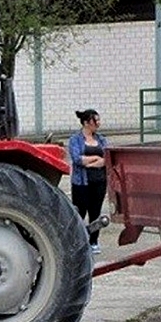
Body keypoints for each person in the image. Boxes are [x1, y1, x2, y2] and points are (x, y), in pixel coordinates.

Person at [68, 109, 108, 255]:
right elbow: (77, 159)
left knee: (95, 212)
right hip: (81, 183)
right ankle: (77, 241)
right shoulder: (75, 140)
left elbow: (107, 159)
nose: (98, 123)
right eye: (95, 121)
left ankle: (94, 241)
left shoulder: (102, 139)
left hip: (99, 182)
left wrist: (92, 161)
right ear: (86, 122)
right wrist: (96, 160)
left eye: (98, 120)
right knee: (80, 211)